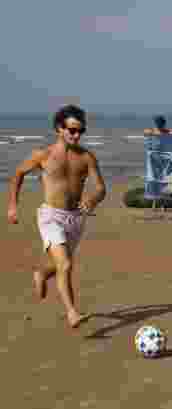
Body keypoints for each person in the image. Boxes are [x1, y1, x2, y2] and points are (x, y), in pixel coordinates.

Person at [7, 104, 106, 329]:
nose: (76, 135)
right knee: (67, 264)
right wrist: (13, 206)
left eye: (80, 131)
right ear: (59, 129)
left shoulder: (87, 157)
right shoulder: (44, 155)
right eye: (72, 130)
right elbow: (18, 174)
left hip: (76, 218)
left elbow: (100, 188)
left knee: (59, 265)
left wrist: (92, 199)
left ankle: (41, 273)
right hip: (50, 216)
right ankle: (72, 312)